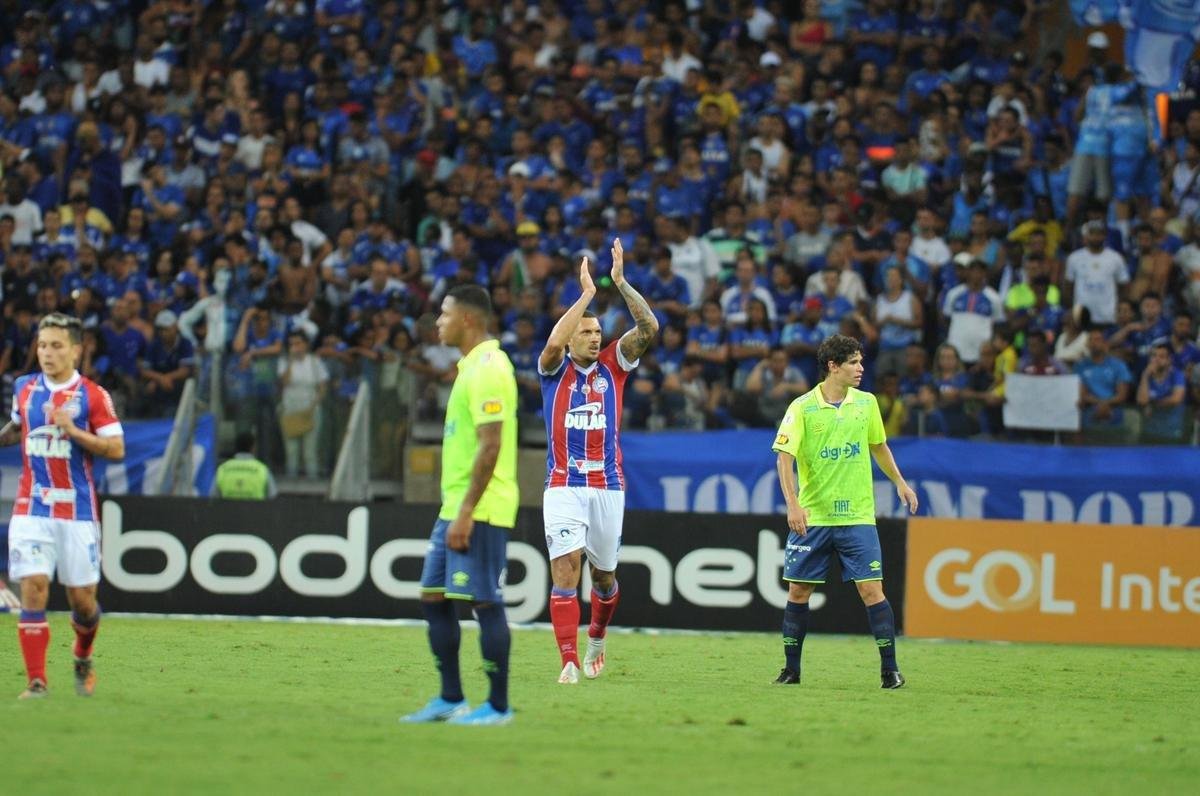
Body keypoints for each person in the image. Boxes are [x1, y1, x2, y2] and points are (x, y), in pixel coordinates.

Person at [539, 238, 658, 684]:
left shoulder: (614, 364)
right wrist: (587, 294)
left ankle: (597, 636)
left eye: (597, 333)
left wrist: (621, 283)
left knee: (604, 579)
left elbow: (649, 328)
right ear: (573, 336)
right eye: (587, 332)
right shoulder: (553, 369)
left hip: (608, 485)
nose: (595, 338)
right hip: (563, 484)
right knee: (565, 569)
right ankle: (568, 660)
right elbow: (553, 341)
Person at [770, 334, 918, 689]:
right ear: (833, 366)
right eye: (853, 362)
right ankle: (791, 670)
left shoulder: (867, 403)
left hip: (857, 517)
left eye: (861, 361)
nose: (861, 368)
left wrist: (900, 481)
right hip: (815, 518)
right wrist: (793, 504)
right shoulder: (802, 407)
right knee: (798, 592)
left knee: (872, 591)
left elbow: (878, 446)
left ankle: (890, 671)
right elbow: (784, 458)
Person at [403, 285, 519, 726]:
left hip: (481, 508)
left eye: (445, 313)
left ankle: (498, 706)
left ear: (467, 319)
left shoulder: (490, 368)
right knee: (433, 595)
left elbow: (491, 446)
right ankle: (450, 697)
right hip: (455, 506)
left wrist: (469, 510)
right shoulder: (469, 367)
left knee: (485, 601)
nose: (438, 322)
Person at [0, 313, 125, 699]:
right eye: (42, 345)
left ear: (75, 350)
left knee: (83, 603)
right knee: (34, 588)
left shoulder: (93, 395)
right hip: (32, 506)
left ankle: (82, 655)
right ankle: (37, 682)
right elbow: (18, 427)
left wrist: (73, 431)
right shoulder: (24, 388)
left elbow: (116, 449)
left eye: (56, 346)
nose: (47, 353)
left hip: (77, 512)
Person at [214, 431, 278, 500]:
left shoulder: (223, 469)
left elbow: (213, 497)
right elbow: (273, 496)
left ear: (236, 447)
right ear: (253, 447)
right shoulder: (262, 470)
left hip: (227, 507)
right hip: (256, 507)